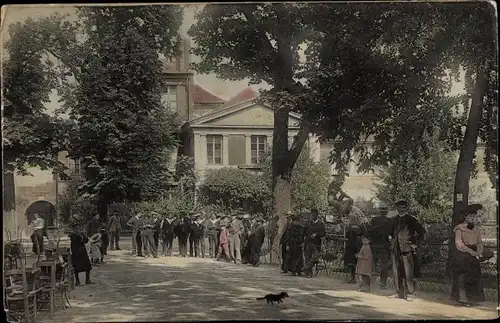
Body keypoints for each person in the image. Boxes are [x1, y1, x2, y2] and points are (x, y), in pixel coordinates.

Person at [389, 199, 425, 300]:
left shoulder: (411, 220)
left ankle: (410, 293)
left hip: (406, 249)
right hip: (395, 248)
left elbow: (422, 231)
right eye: (399, 207)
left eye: (403, 207)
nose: (401, 209)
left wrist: (415, 243)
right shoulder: (393, 220)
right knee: (396, 271)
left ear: (406, 208)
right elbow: (389, 232)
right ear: (396, 208)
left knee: (408, 271)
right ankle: (399, 293)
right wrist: (390, 239)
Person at [450, 203, 485, 306]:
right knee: (463, 277)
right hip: (463, 254)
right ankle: (463, 299)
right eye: (470, 216)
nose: (472, 218)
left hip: (474, 254)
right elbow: (458, 243)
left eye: (474, 216)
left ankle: (473, 299)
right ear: (465, 217)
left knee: (474, 276)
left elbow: (479, 241)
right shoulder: (459, 228)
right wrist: (471, 252)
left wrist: (479, 250)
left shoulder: (476, 228)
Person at [367, 202, 392, 289]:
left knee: (372, 264)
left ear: (379, 211)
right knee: (384, 265)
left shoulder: (374, 220)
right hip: (384, 246)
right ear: (387, 211)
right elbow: (390, 233)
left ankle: (369, 283)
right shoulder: (389, 221)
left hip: (374, 245)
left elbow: (369, 232)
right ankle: (382, 284)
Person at [302, 208, 326, 278]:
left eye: (314, 215)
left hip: (316, 243)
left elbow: (323, 233)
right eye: (312, 215)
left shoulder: (321, 224)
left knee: (315, 257)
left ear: (317, 215)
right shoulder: (308, 223)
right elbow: (303, 232)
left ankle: (305, 268)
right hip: (308, 242)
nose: (312, 216)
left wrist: (316, 234)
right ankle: (309, 272)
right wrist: (304, 240)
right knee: (308, 257)